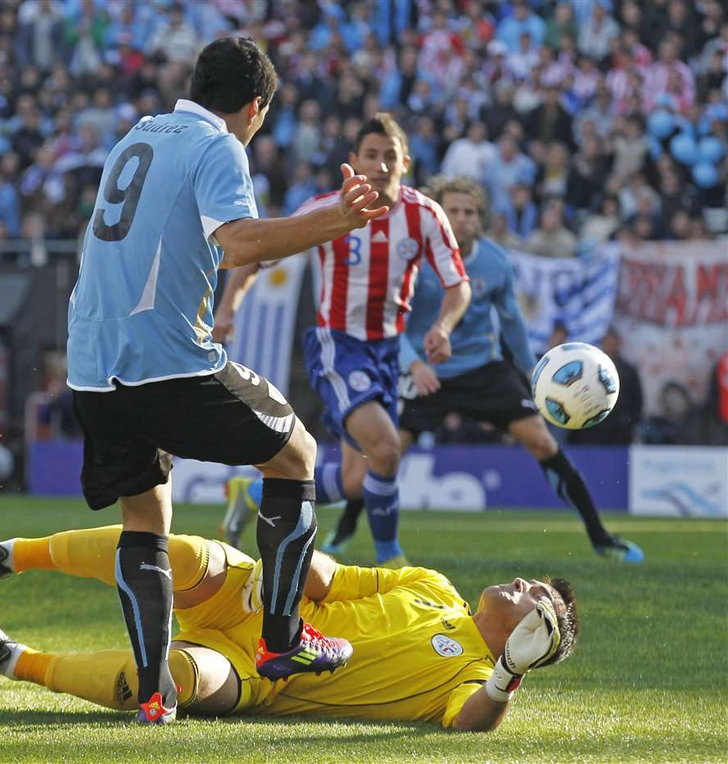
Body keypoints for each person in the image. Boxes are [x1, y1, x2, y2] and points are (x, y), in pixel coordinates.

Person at [65, 37, 390, 723]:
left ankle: (156, 694)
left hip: (92, 367)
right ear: (256, 105)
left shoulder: (138, 135)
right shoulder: (220, 146)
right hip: (168, 363)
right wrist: (337, 218)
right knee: (297, 454)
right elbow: (238, 242)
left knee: (146, 519)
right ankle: (283, 638)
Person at [0, 525, 577, 732]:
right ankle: (11, 555)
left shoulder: (473, 676)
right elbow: (333, 580)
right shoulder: (434, 585)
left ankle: (11, 659)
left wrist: (508, 676)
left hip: (260, 676)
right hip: (263, 608)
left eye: (535, 600)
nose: (521, 586)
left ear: (533, 638)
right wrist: (289, 556)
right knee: (183, 555)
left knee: (175, 679)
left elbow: (472, 723)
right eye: (529, 582)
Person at [324, 178, 643, 563]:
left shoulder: (495, 261)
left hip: (483, 370)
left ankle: (601, 538)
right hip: (426, 373)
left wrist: (532, 371)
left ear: (481, 219)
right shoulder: (413, 261)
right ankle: (344, 529)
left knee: (542, 442)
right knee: (384, 456)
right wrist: (414, 364)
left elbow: (511, 323)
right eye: (452, 211)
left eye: (469, 212)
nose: (461, 218)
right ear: (437, 215)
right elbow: (395, 323)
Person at [216, 114, 471, 567]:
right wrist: (229, 307)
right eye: (370, 155)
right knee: (388, 449)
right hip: (337, 344)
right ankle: (392, 559)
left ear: (405, 163)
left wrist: (443, 328)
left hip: (387, 353)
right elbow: (259, 252)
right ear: (354, 161)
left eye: (389, 156)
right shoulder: (329, 209)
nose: (380, 165)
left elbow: (458, 285)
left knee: (357, 480)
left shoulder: (426, 215)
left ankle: (251, 492)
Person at [569, 328, 644, 445]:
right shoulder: (590, 367)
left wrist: (630, 421)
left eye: (613, 343)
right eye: (607, 343)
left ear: (618, 344)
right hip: (592, 424)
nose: (610, 346)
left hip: (619, 426)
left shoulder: (628, 370)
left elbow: (636, 399)